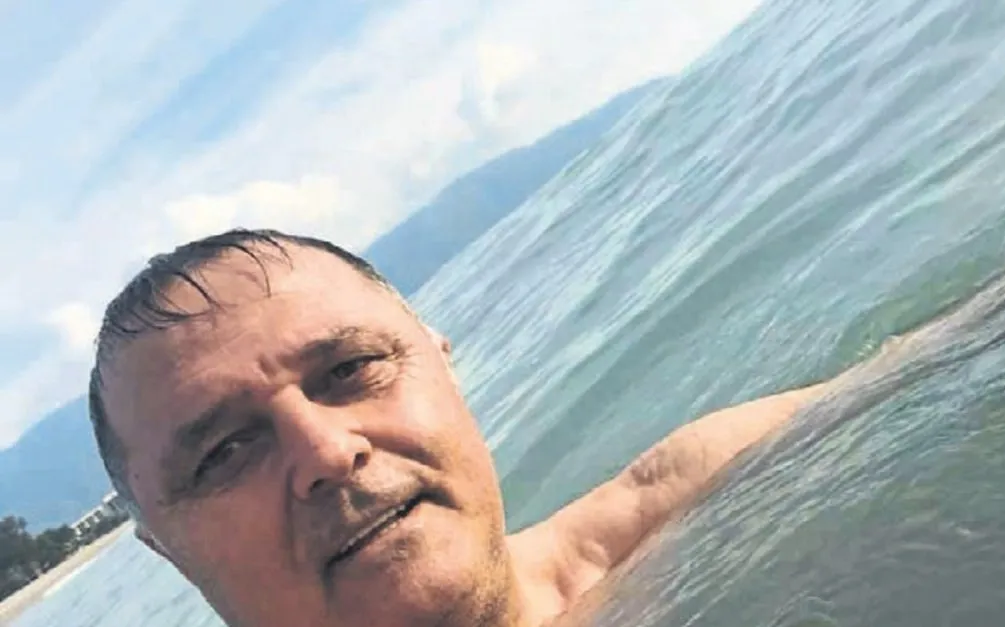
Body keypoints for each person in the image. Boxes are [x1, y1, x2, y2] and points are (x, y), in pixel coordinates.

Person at [86, 229, 926, 627]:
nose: (328, 452)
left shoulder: (734, 487)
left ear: (442, 363)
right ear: (167, 547)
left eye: (350, 369)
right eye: (225, 452)